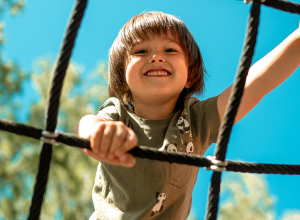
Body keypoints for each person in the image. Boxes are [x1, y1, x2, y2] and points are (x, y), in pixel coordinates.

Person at [76, 11, 300, 220]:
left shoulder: (196, 121)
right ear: (123, 77)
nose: (156, 57)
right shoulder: (119, 113)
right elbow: (89, 122)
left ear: (190, 75)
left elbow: (252, 86)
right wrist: (97, 133)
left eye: (170, 50)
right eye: (140, 51)